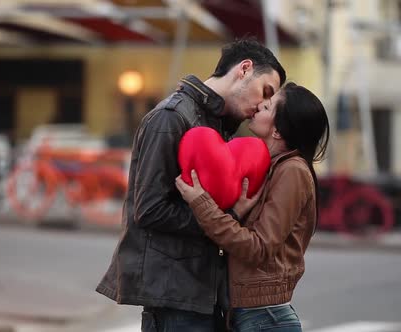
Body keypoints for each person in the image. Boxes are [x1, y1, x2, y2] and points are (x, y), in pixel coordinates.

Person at [96, 38, 286, 332]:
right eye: (266, 92)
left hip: (206, 294)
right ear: (244, 69)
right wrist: (224, 218)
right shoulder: (171, 117)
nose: (262, 105)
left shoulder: (217, 125)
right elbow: (149, 209)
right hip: (176, 298)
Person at [175, 83, 330, 331]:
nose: (258, 106)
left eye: (267, 106)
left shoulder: (293, 171)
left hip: (265, 318)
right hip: (252, 315)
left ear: (278, 130)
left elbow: (259, 247)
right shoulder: (272, 167)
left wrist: (201, 204)